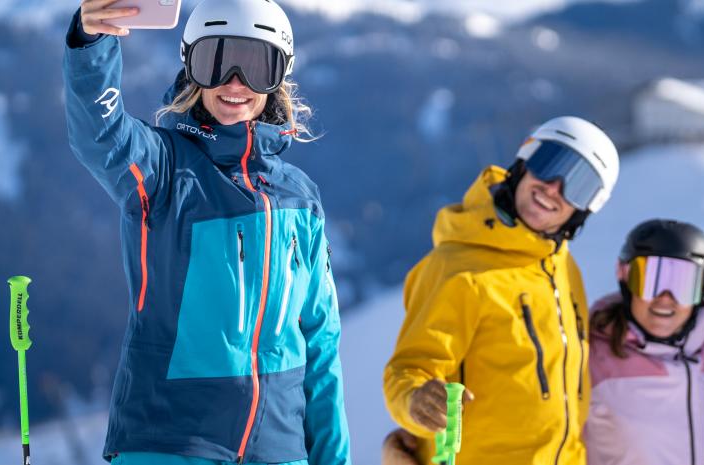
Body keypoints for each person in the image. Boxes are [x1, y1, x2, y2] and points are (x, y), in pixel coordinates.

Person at [65, 1, 348, 463]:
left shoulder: (299, 197)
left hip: (280, 450)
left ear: (279, 77)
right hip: (169, 444)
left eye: (256, 64)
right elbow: (100, 135)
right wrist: (92, 42)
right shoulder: (162, 168)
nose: (235, 82)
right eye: (215, 60)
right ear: (191, 69)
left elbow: (320, 343)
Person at [382, 116, 620, 464]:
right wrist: (417, 401)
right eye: (549, 165)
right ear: (524, 163)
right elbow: (408, 370)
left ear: (585, 209)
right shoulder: (458, 268)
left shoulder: (564, 269)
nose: (553, 188)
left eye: (577, 185)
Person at [584, 219, 704, 465]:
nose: (666, 299)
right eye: (651, 281)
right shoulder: (590, 357)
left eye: (682, 284)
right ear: (624, 276)